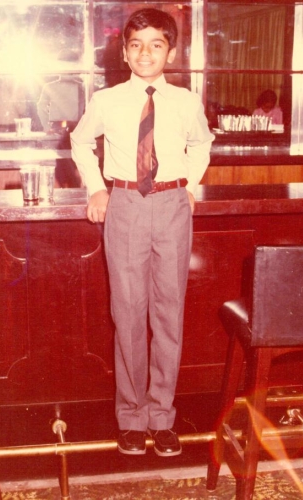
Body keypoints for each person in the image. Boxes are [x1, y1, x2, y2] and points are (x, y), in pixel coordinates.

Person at [71, 8, 214, 457]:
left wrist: (189, 186)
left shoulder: (186, 101)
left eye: (156, 44)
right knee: (129, 314)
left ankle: (162, 415)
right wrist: (97, 188)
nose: (146, 53)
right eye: (136, 45)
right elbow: (79, 141)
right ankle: (131, 417)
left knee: (168, 314)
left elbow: (202, 144)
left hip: (171, 206)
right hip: (126, 204)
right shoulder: (107, 100)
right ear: (125, 53)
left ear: (170, 51)